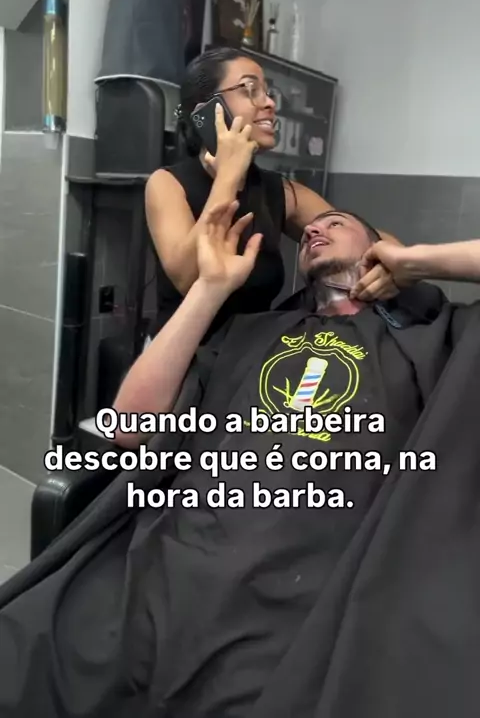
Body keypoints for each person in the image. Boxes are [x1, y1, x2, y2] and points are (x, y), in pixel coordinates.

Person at [1, 207, 480, 717]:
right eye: (311, 229)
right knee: (26, 651)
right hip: (180, 554)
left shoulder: (437, 337)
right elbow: (130, 426)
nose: (313, 229)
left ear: (378, 243)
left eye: (337, 223)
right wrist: (209, 289)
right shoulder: (252, 332)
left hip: (319, 580)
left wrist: (417, 261)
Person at [145, 47, 397, 341]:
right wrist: (228, 176)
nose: (269, 103)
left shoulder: (281, 192)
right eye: (250, 89)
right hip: (178, 355)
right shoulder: (167, 184)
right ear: (208, 112)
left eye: (267, 92)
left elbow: (369, 240)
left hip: (247, 358)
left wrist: (390, 267)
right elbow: (188, 278)